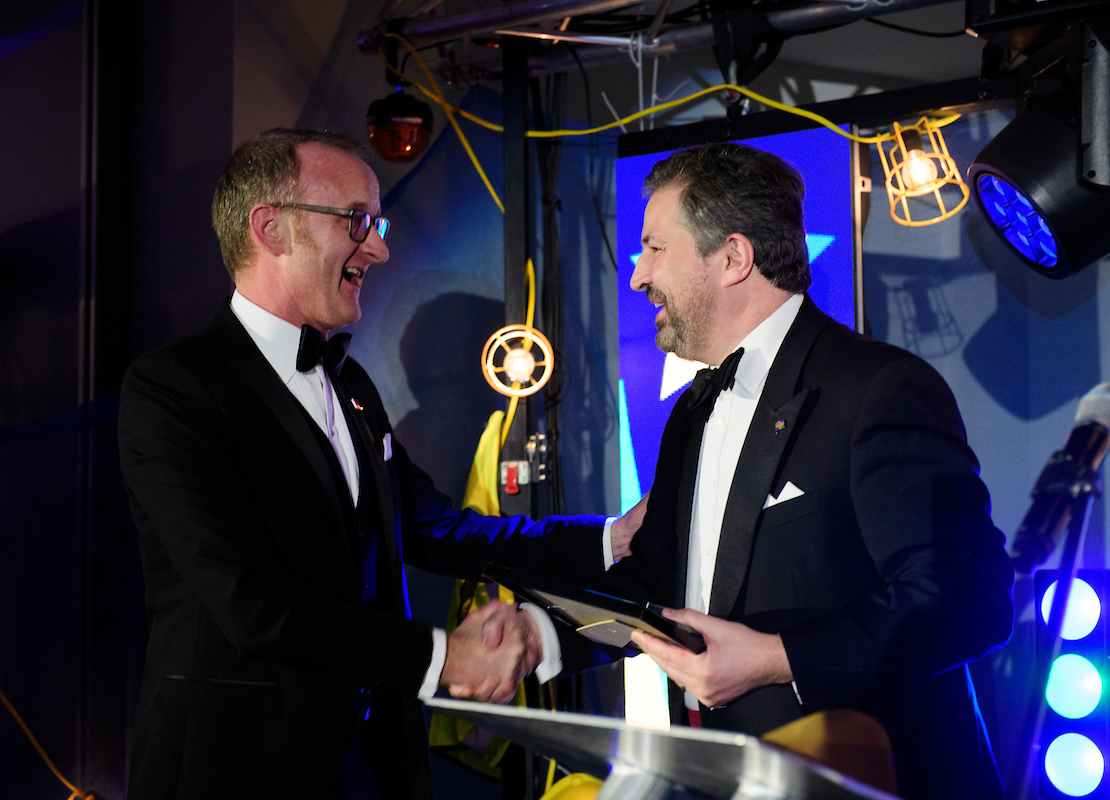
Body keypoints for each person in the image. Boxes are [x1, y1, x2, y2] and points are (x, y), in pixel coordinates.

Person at [117, 129, 642, 800]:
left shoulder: (352, 384)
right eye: (356, 221)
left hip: (371, 764)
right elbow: (250, 602)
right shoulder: (174, 388)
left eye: (378, 224)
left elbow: (437, 530)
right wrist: (445, 656)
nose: (379, 248)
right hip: (238, 768)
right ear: (271, 229)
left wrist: (607, 538)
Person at [596, 142, 1013, 800]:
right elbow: (653, 582)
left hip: (877, 777)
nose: (638, 275)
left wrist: (776, 658)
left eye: (654, 248)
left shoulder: (879, 386)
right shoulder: (690, 412)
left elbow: (967, 598)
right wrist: (540, 632)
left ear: (733, 258)